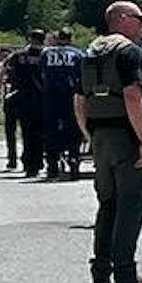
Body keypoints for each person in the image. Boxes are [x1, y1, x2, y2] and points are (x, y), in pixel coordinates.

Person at [73, 1, 142, 283]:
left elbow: (79, 101)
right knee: (131, 204)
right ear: (122, 19)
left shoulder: (89, 52)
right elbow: (133, 96)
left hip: (100, 137)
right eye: (139, 18)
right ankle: (125, 273)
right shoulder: (128, 51)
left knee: (107, 204)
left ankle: (100, 271)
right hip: (127, 136)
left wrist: (90, 135)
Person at [0, 28, 45, 175]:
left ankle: (15, 159)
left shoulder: (17, 56)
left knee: (17, 129)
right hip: (41, 98)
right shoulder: (47, 55)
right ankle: (37, 161)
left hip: (20, 96)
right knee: (38, 131)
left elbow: (0, 74)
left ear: (30, 39)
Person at [40, 28, 84, 179]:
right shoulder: (78, 54)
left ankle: (52, 164)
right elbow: (82, 75)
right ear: (70, 38)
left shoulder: (46, 53)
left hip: (51, 96)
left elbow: (42, 73)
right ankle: (73, 160)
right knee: (73, 129)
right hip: (70, 96)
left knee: (50, 130)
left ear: (58, 38)